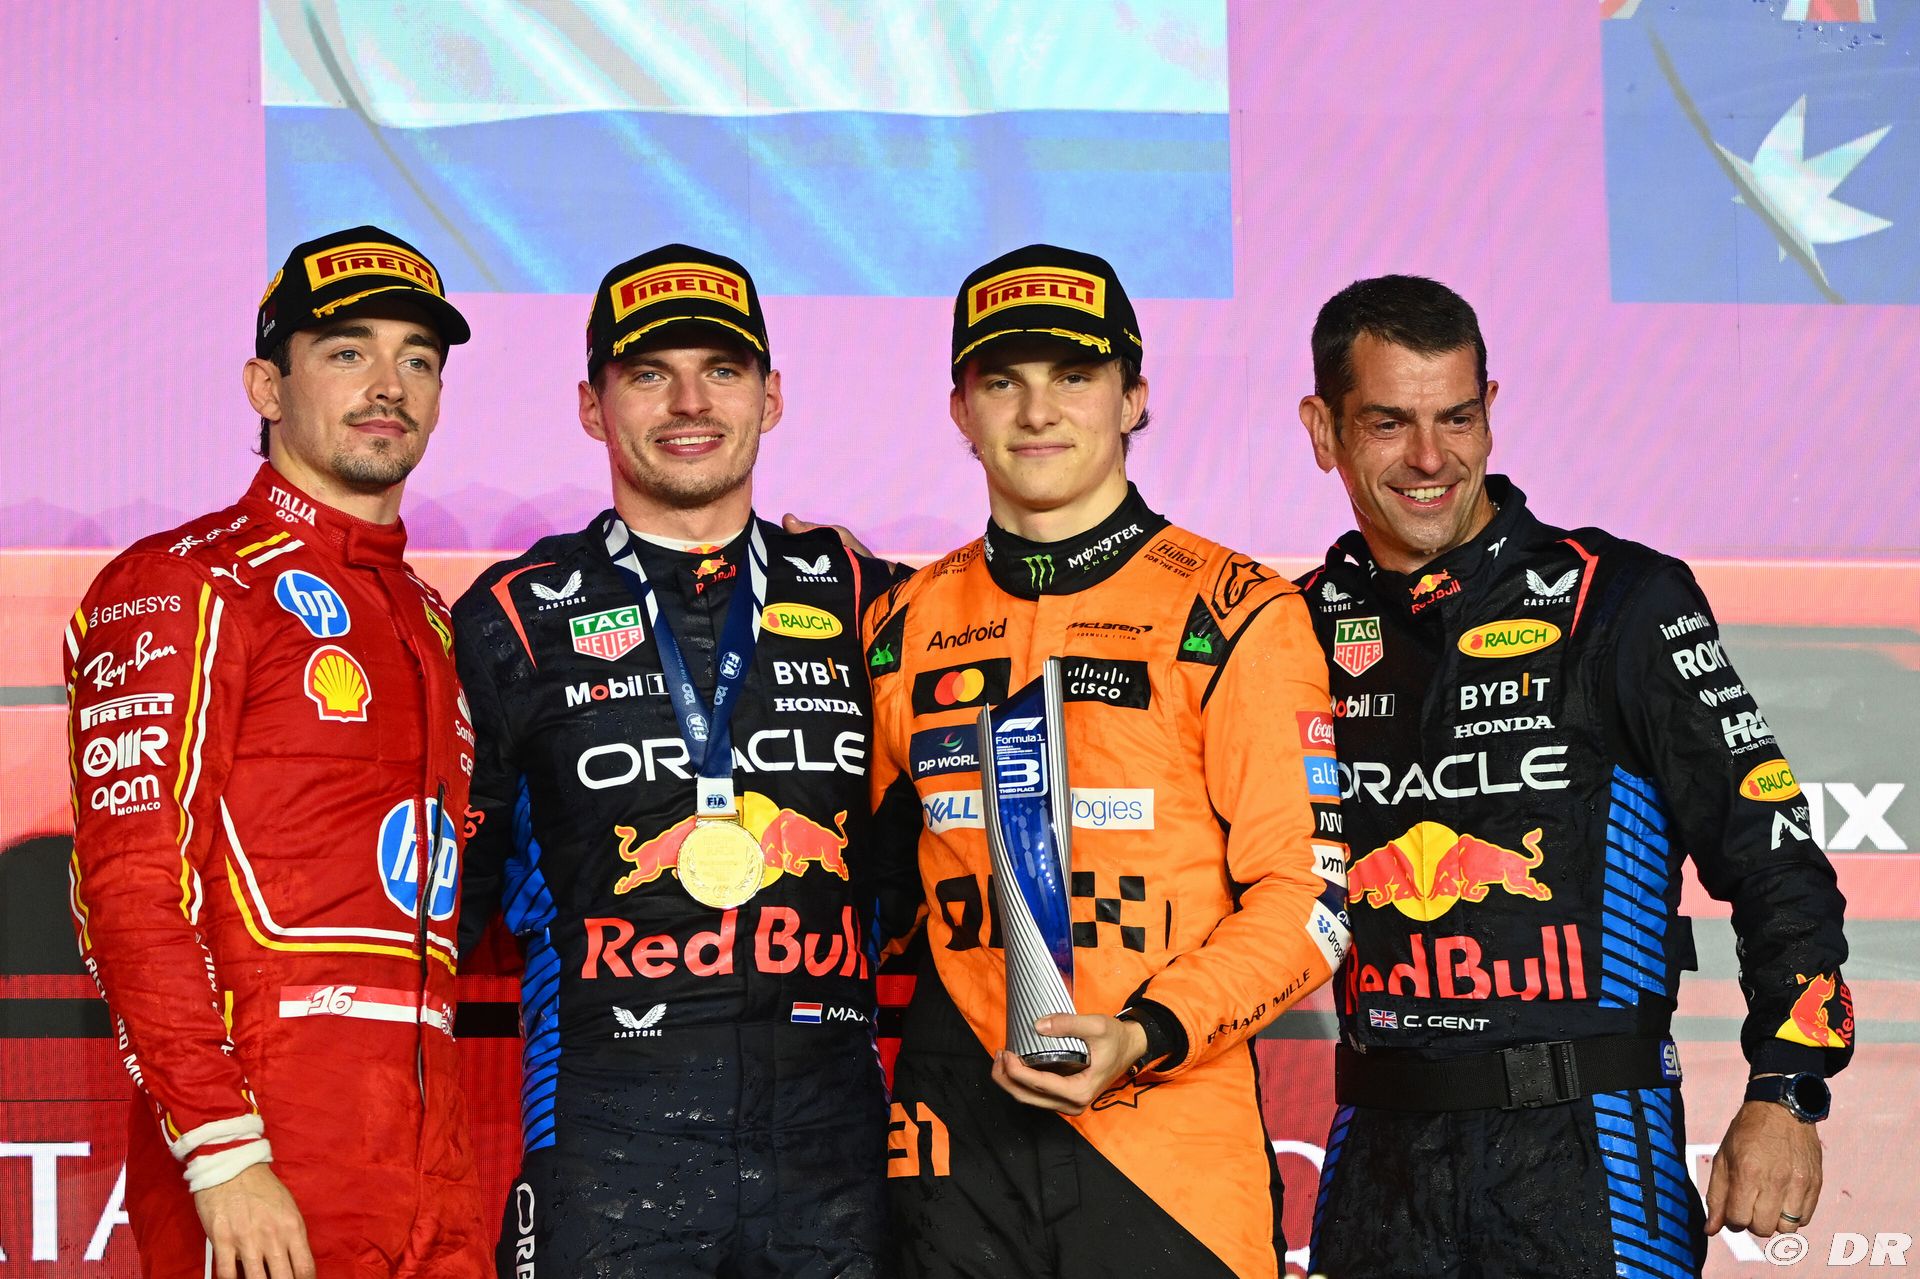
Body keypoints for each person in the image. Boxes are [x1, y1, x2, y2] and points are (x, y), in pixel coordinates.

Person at [1294, 275, 1853, 1278]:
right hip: (1378, 1162)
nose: (1430, 457)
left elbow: (1774, 854)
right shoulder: (1288, 632)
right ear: (1324, 431)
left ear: (1490, 411)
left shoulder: (1622, 599)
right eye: (1388, 423)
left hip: (1590, 1159)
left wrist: (1788, 1087)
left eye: (1456, 417)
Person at [865, 244, 1350, 1279]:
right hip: (957, 1144)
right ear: (959, 410)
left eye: (1074, 376)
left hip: (1169, 1143)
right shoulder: (901, 624)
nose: (1038, 411)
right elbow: (860, 888)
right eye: (1003, 381)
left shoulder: (1237, 611)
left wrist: (1144, 1033)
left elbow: (1309, 899)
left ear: (1134, 399)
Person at [453, 243, 901, 1277]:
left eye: (723, 370)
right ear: (591, 405)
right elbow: (440, 904)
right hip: (608, 1146)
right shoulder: (512, 618)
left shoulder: (868, 600)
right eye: (649, 373)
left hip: (833, 1154)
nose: (690, 402)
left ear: (771, 397)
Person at [64, 226, 487, 1279]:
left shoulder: (431, 620)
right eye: (347, 351)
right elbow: (128, 887)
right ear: (266, 385)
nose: (388, 385)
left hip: (435, 1166)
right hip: (269, 1151)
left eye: (418, 359)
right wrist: (223, 1151)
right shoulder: (185, 581)